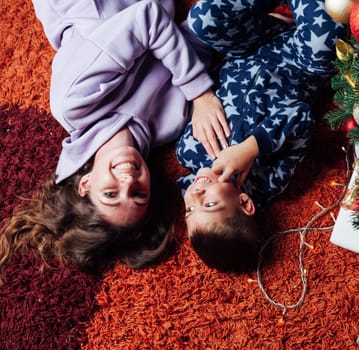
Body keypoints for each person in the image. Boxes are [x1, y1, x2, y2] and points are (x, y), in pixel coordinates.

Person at [0, 0, 231, 281]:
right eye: (139, 194)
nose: (128, 181)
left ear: (85, 184)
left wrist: (200, 94)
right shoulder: (169, 126)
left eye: (110, 194)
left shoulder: (76, 101)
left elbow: (149, 17)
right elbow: (198, 37)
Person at [176, 0, 346, 272]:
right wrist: (251, 147)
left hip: (247, 49)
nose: (195, 194)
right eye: (208, 203)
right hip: (299, 63)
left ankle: (279, 15)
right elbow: (301, 117)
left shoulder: (189, 152)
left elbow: (203, 94)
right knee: (326, 43)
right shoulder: (270, 181)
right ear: (244, 203)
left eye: (188, 209)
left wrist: (200, 101)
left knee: (202, 19)